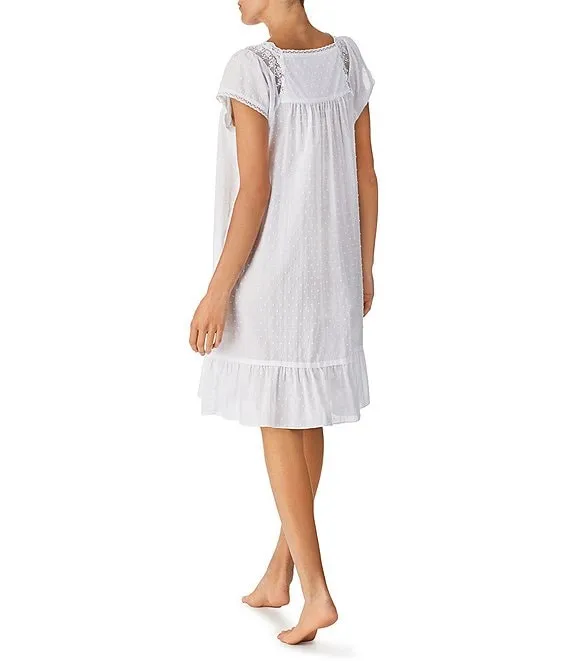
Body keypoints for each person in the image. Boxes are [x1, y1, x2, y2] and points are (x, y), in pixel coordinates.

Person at [189, 0, 378, 645]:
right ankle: (281, 572)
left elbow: (255, 190)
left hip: (271, 273)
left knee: (280, 417)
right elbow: (366, 174)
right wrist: (365, 266)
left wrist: (217, 291)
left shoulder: (252, 68)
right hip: (332, 270)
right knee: (306, 415)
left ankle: (318, 591)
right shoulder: (347, 60)